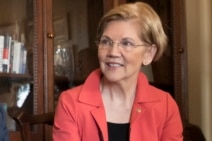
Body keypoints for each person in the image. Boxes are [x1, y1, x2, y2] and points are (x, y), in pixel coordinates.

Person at [53, 2, 183, 141]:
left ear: (148, 54)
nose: (113, 52)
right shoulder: (70, 103)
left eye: (127, 43)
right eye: (106, 42)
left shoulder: (166, 106)